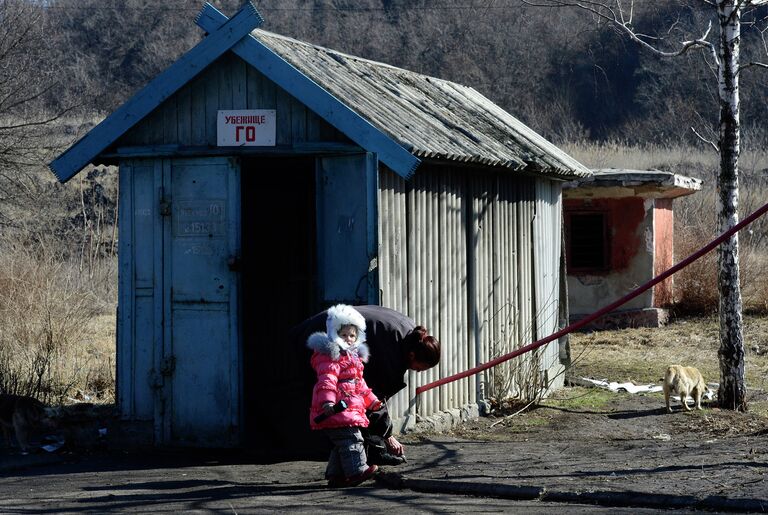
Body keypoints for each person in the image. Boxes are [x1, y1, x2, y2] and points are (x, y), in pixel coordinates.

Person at [291, 305, 441, 465]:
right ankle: (355, 467)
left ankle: (365, 455)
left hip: (332, 326)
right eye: (420, 368)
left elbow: (374, 399)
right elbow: (373, 395)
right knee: (338, 411)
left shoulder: (410, 335)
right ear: (412, 355)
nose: (417, 372)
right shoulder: (392, 353)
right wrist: (388, 436)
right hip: (318, 336)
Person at [307, 304, 382, 487]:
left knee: (341, 443)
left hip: (348, 409)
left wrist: (372, 401)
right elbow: (327, 380)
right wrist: (327, 402)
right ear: (334, 334)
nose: (348, 339)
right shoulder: (330, 357)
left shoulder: (354, 359)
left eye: (352, 335)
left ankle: (336, 475)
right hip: (336, 409)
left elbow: (360, 386)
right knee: (351, 439)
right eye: (344, 335)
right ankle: (357, 471)